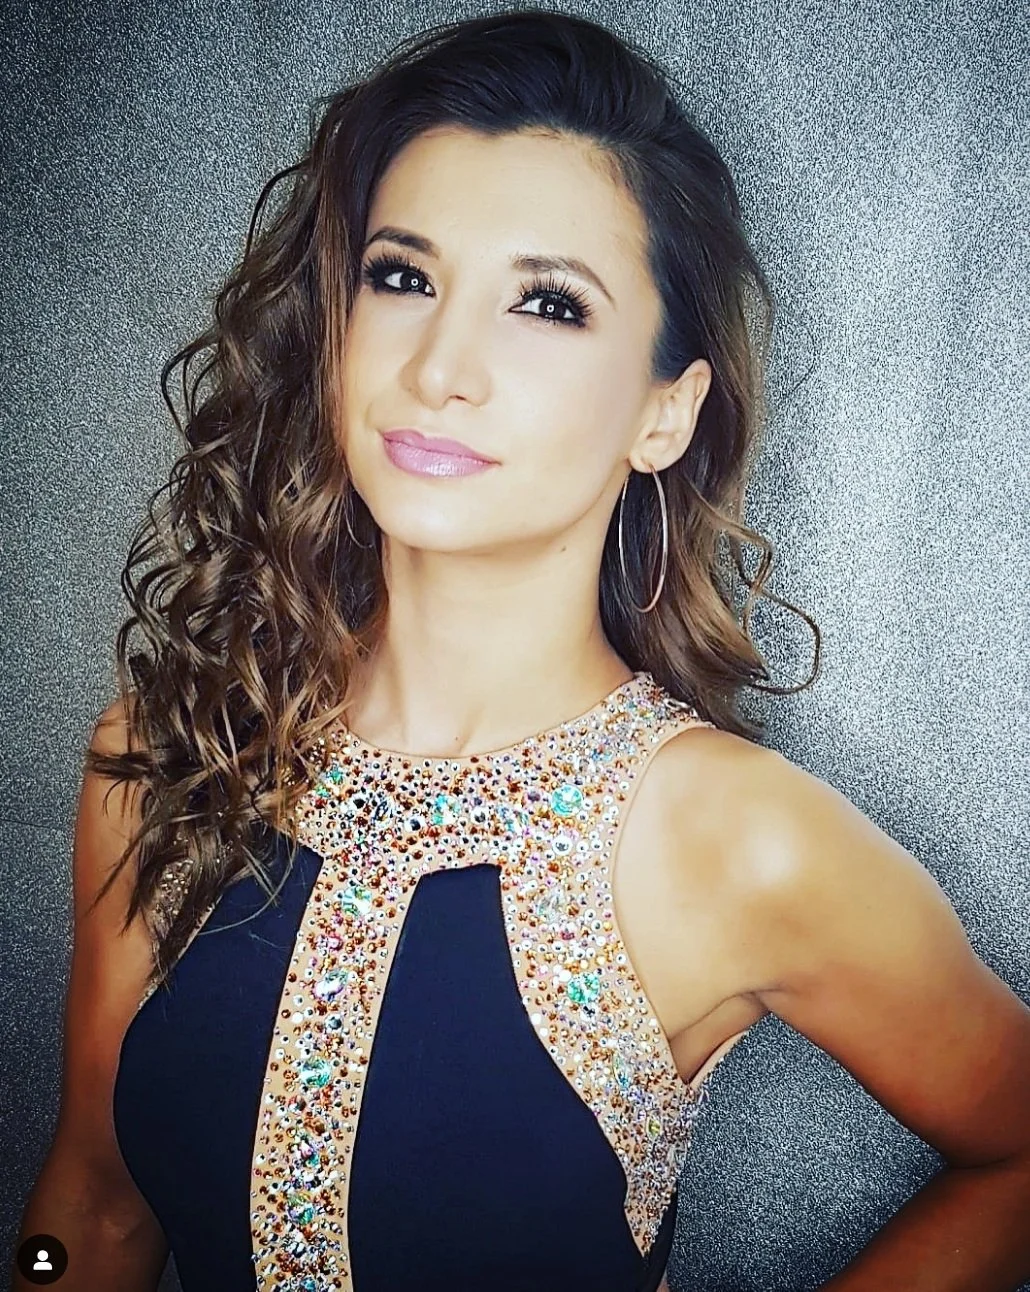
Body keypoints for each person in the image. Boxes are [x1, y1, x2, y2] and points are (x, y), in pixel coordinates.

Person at [14, 9, 1030, 1292]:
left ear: (664, 411)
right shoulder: (172, 745)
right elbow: (90, 1203)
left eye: (547, 303)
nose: (441, 366)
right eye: (402, 277)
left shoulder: (738, 839)